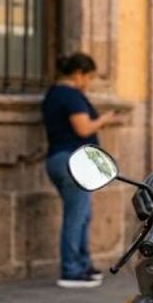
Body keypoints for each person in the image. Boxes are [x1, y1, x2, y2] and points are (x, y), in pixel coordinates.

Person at [42, 53, 116, 288]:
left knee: (82, 214)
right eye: (89, 77)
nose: (89, 82)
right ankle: (72, 269)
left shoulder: (53, 94)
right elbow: (83, 128)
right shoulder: (71, 96)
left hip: (58, 159)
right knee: (77, 216)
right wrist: (103, 120)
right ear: (78, 74)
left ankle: (83, 265)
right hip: (72, 161)